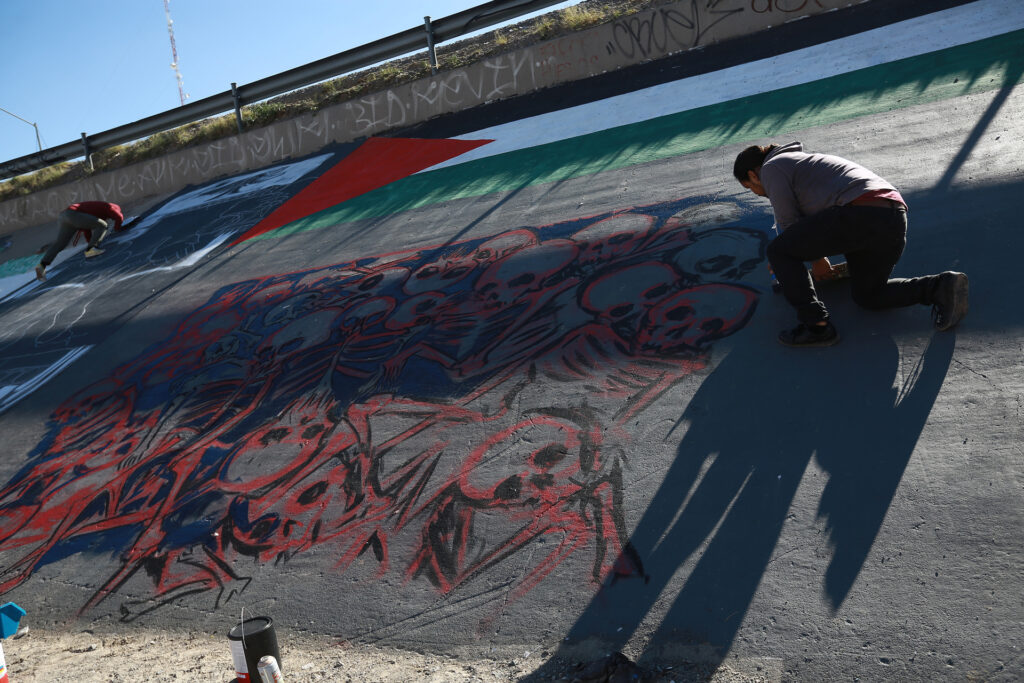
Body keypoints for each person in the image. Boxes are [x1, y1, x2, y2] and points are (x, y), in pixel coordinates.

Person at [732, 142, 968, 347]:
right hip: (892, 217)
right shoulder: (801, 165)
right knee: (869, 296)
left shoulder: (772, 167)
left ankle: (816, 325)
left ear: (753, 174)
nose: (756, 192)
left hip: (861, 212)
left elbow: (788, 223)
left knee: (778, 251)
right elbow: (811, 224)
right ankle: (939, 287)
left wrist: (808, 260)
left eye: (750, 187)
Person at [35, 200, 123, 282]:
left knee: (60, 243)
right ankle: (91, 250)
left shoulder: (95, 212)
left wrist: (90, 244)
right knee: (103, 225)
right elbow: (119, 216)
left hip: (64, 216)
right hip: (73, 214)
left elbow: (86, 230)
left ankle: (42, 266)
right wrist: (117, 229)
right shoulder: (110, 207)